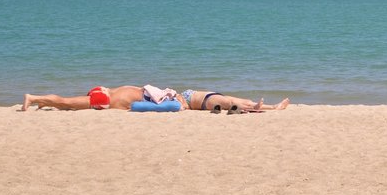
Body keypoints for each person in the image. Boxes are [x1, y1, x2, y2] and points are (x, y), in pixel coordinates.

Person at [20, 85, 290, 113]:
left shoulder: (117, 97)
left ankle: (38, 100)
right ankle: (33, 98)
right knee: (66, 103)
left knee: (65, 102)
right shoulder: (121, 97)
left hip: (106, 93)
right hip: (187, 97)